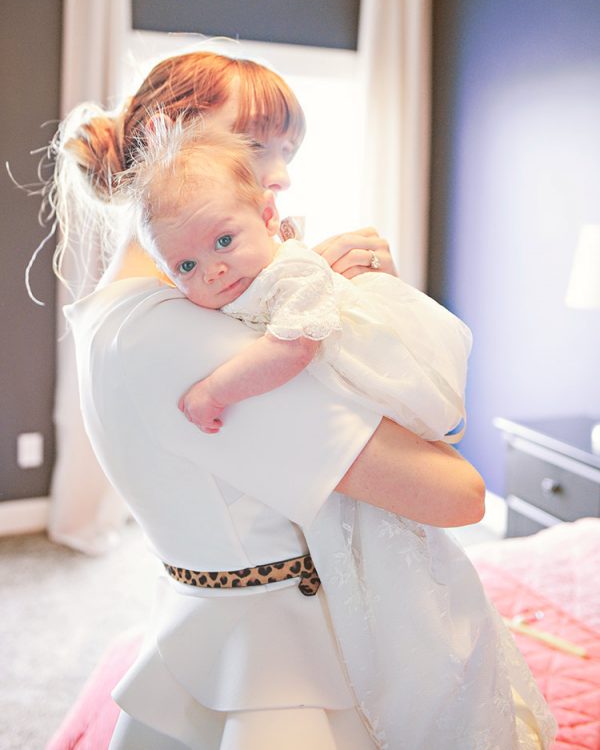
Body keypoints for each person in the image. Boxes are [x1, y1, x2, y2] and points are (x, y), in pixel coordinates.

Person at [49, 50, 554, 749]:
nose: (282, 174)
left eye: (288, 151)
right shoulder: (183, 338)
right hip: (279, 672)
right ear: (168, 136)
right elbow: (459, 495)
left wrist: (370, 310)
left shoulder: (122, 312)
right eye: (257, 144)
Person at [129, 119, 470, 442]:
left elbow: (292, 349)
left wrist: (213, 392)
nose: (212, 271)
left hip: (384, 376)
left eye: (224, 241)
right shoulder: (215, 296)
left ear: (267, 216)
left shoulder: (292, 271)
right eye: (187, 266)